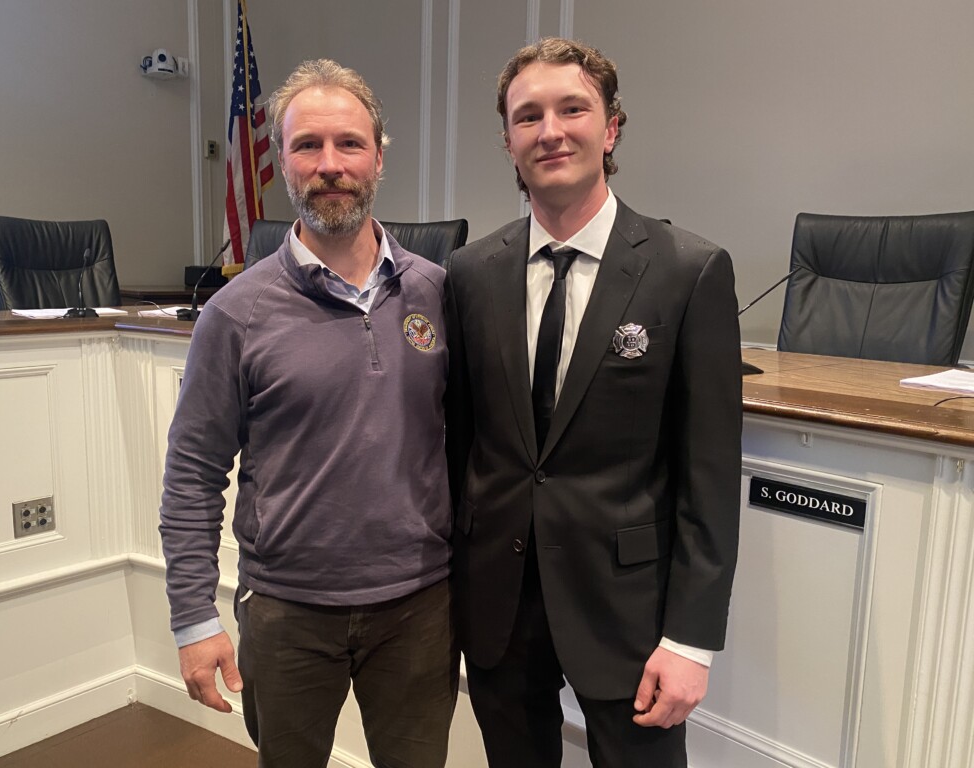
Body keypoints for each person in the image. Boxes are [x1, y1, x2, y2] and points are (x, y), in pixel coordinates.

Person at [444, 38, 742, 767]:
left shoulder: (688, 272)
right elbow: (459, 448)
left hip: (630, 612)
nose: (551, 131)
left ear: (610, 128)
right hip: (499, 604)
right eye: (528, 116)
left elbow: (708, 476)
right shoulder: (468, 274)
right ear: (508, 142)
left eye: (572, 108)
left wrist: (690, 640)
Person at [160, 59, 456, 768]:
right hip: (288, 610)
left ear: (379, 157)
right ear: (282, 164)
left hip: (420, 608)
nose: (330, 165)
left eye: (349, 144)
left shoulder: (442, 293)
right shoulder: (234, 314)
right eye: (307, 146)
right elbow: (193, 475)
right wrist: (193, 618)